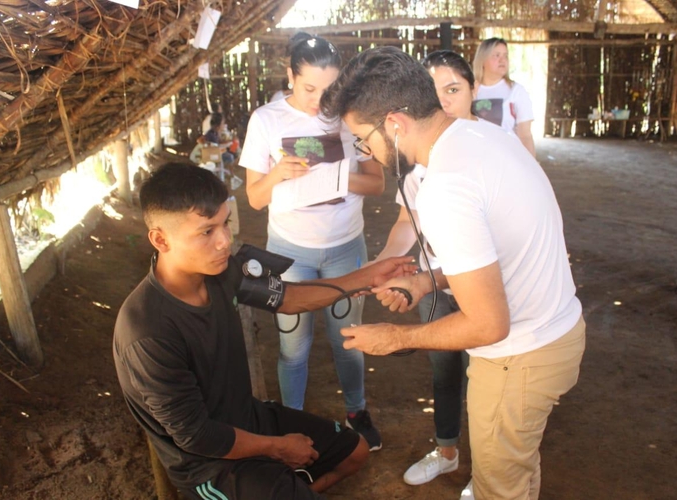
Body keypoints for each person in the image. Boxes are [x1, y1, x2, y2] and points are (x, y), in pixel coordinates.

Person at [321, 46, 585, 500]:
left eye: (364, 139)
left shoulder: (444, 188)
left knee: (498, 488)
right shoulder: (483, 137)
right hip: (557, 334)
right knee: (519, 468)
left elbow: (488, 324)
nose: (368, 151)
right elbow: (501, 252)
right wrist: (427, 280)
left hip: (517, 359)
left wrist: (396, 338)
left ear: (395, 125)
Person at [113, 163, 414, 500]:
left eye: (225, 223)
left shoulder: (221, 274)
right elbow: (197, 437)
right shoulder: (147, 330)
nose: (224, 241)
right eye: (206, 231)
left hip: (249, 418)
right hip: (210, 463)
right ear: (160, 239)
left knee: (355, 451)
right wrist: (278, 448)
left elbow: (288, 298)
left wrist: (365, 277)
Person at [239, 32, 385, 451]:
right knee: (293, 346)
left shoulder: (351, 117)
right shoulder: (266, 120)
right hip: (289, 253)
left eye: (330, 90)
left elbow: (376, 184)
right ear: (290, 75)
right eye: (309, 89)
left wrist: (337, 177)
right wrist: (276, 175)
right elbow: (253, 197)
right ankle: (293, 421)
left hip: (345, 247)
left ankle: (356, 411)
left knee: (349, 340)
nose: (322, 101)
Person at [371, 50, 477, 486]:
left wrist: (420, 280)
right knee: (443, 368)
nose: (445, 101)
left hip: (476, 287)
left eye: (454, 90)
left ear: (474, 90)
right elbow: (404, 223)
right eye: (434, 93)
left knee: (488, 379)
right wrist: (376, 268)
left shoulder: (485, 155)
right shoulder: (415, 162)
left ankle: (488, 470)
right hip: (434, 286)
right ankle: (448, 451)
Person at [472, 37, 536, 156]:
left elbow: (525, 135)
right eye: (496, 55)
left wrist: (532, 167)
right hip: (477, 158)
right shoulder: (470, 90)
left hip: (508, 158)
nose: (503, 60)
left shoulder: (516, 91)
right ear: (482, 60)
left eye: (505, 55)